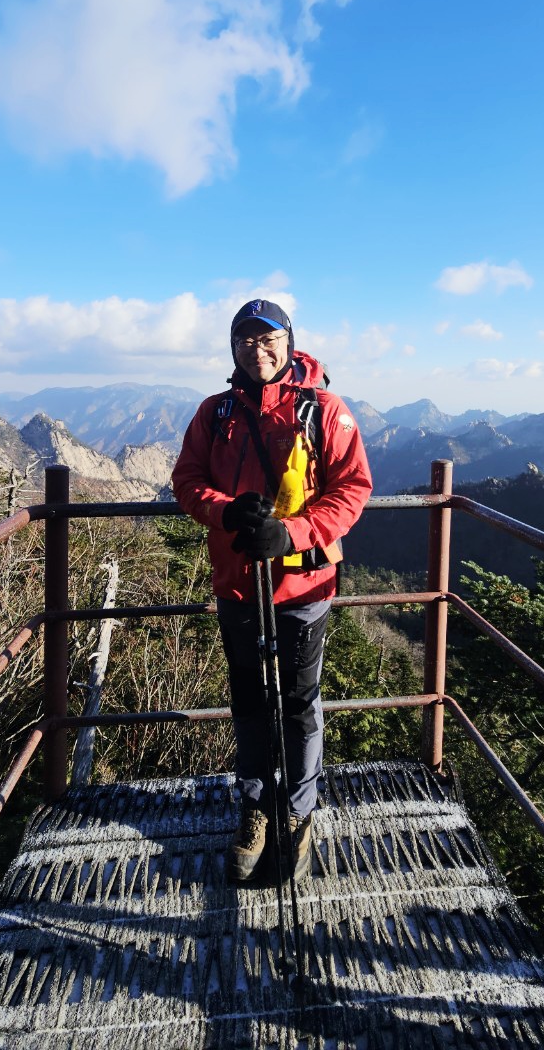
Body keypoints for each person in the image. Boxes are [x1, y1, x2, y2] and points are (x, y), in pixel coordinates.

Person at [171, 299, 373, 884]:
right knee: (249, 701)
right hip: (238, 586)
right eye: (245, 340)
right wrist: (226, 511)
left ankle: (299, 812)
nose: (256, 350)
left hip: (303, 585)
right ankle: (257, 807)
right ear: (232, 347)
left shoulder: (324, 411)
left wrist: (292, 532)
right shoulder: (215, 413)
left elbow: (352, 489)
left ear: (289, 343)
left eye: (268, 340)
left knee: (299, 704)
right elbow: (187, 480)